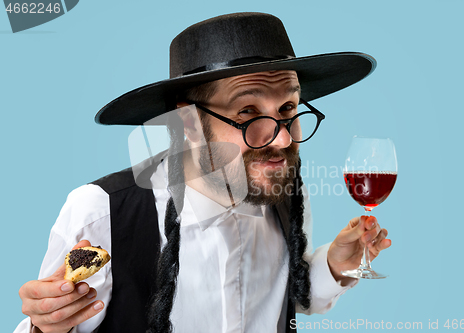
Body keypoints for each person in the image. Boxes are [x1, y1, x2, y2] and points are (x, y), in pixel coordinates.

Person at [15, 12, 391, 333]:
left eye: (288, 108)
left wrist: (336, 266)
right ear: (189, 122)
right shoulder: (100, 212)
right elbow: (53, 318)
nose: (279, 139)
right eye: (247, 112)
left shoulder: (287, 192)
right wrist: (47, 321)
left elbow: (292, 295)